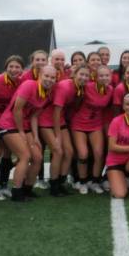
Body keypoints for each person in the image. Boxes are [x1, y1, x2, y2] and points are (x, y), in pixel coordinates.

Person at [0, 65, 57, 202]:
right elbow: (17, 110)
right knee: (25, 156)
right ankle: (16, 193)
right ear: (40, 75)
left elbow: (34, 117)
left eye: (52, 77)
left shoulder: (47, 94)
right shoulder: (29, 85)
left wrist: (35, 136)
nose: (49, 79)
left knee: (38, 157)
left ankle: (27, 189)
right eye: (46, 76)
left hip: (25, 126)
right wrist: (22, 132)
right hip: (9, 124)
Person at [39, 65, 89, 196]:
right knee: (58, 151)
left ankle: (61, 182)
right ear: (74, 74)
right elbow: (56, 112)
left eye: (86, 75)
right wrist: (57, 135)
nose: (83, 77)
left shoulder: (80, 88)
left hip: (60, 121)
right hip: (47, 121)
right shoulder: (65, 87)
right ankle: (54, 185)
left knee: (69, 152)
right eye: (81, 74)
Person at [0, 55, 25, 200]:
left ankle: (3, 185)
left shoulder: (20, 82)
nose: (14, 70)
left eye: (17, 67)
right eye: (11, 66)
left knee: (8, 153)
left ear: (21, 69)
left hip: (7, 124)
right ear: (6, 67)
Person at [71, 65, 114, 194]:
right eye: (101, 76)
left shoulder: (110, 89)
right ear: (96, 77)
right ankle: (83, 182)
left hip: (96, 124)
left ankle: (95, 181)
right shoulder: (88, 86)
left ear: (111, 76)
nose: (104, 78)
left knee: (99, 153)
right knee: (83, 154)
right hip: (79, 124)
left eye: (107, 75)